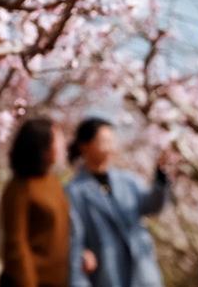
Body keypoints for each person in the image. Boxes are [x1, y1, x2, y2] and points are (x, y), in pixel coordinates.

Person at [67, 118, 169, 287]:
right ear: (84, 145)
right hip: (107, 275)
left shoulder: (128, 181)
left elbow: (151, 206)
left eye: (111, 141)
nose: (110, 146)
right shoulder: (74, 192)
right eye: (104, 141)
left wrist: (160, 178)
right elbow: (75, 242)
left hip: (142, 273)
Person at [0, 117, 69, 287]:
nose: (62, 146)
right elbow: (16, 246)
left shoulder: (52, 181)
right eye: (57, 141)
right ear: (42, 147)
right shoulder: (19, 188)